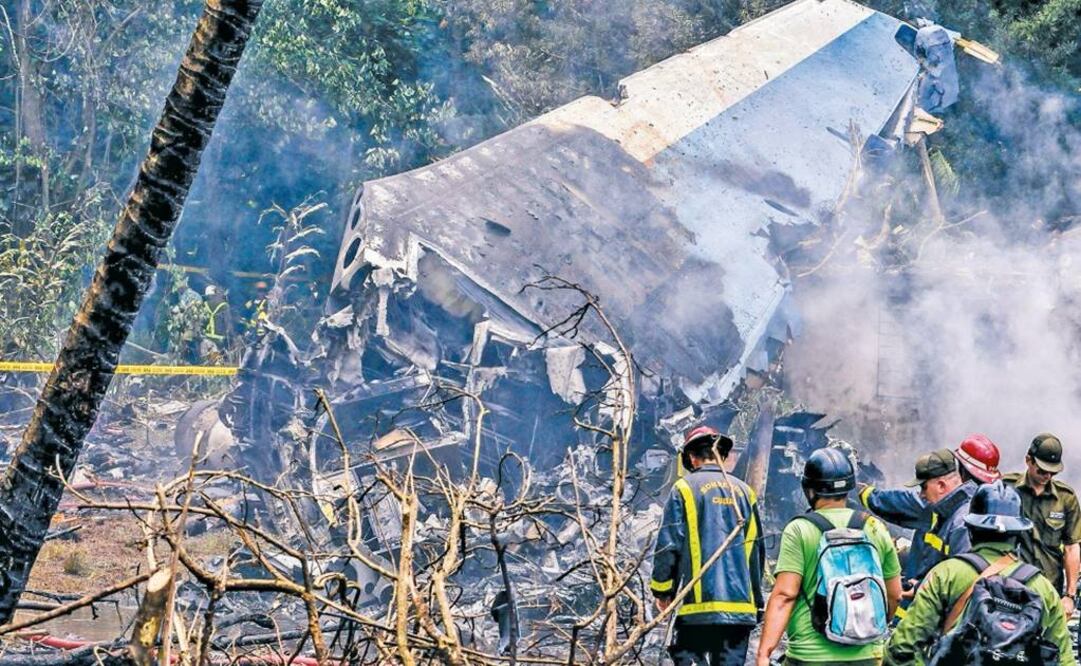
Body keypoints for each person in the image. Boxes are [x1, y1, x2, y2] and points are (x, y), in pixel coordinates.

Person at [885, 481, 1077, 666]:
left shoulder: (946, 575)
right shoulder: (1043, 588)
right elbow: (1064, 660)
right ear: (1018, 535)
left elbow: (902, 648)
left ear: (970, 530)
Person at [756, 448, 902, 666]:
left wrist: (764, 653)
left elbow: (785, 595)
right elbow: (895, 594)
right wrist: (871, 626)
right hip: (867, 656)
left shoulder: (799, 530)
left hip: (810, 656)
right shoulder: (874, 527)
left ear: (810, 489)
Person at [651, 426, 765, 665]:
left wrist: (662, 592)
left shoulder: (684, 488)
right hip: (739, 612)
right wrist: (757, 602)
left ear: (691, 458)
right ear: (723, 456)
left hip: (697, 610)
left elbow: (668, 545)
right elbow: (755, 553)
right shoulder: (745, 492)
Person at [859, 446, 981, 591]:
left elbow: (961, 585)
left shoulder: (961, 524)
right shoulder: (942, 509)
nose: (921, 495)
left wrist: (921, 587)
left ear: (941, 486)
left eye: (923, 487)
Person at [1003, 433, 1081, 613]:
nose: (1047, 476)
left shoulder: (1065, 498)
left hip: (1048, 591)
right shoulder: (1006, 488)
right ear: (1028, 460)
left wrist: (1069, 596)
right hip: (1009, 589)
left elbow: (1071, 548)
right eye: (1042, 470)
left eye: (1052, 472)